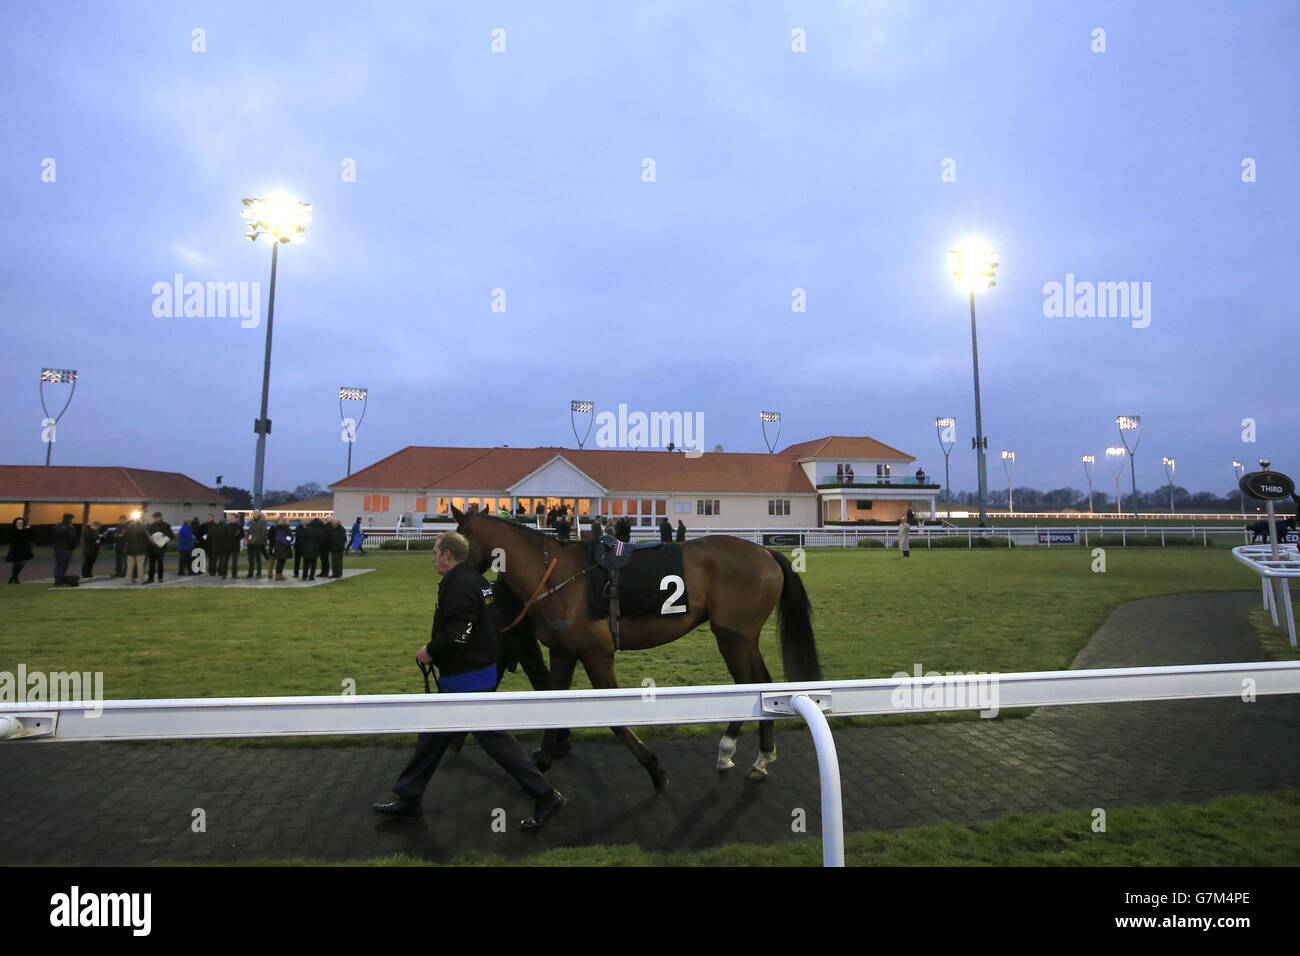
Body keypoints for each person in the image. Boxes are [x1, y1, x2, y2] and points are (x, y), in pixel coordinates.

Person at [372, 531, 565, 830]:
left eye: (435, 552)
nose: (433, 557)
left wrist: (430, 651)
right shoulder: (476, 580)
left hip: (466, 678)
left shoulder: (460, 584)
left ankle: (546, 795)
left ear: (448, 555)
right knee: (433, 736)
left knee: (493, 742)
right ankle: (409, 797)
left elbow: (461, 632)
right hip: (474, 672)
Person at [146, 512, 174, 583]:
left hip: (161, 547)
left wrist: (163, 536)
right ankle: (151, 578)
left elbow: (171, 535)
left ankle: (160, 578)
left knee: (160, 563)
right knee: (151, 564)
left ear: (160, 517)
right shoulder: (151, 526)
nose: (156, 519)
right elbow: (148, 535)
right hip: (152, 547)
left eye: (157, 518)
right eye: (154, 518)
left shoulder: (166, 525)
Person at [123, 514, 151, 584]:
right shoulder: (143, 528)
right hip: (141, 549)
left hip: (130, 549)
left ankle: (129, 580)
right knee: (140, 566)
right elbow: (147, 539)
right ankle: (141, 580)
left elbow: (124, 538)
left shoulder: (128, 528)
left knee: (130, 566)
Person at [52, 513, 78, 586]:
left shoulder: (56, 526)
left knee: (58, 565)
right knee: (63, 566)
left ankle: (57, 580)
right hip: (66, 548)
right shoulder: (70, 526)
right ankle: (60, 582)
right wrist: (72, 547)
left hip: (57, 548)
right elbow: (72, 538)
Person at [6, 517, 35, 583]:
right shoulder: (12, 530)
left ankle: (12, 577)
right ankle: (16, 579)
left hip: (24, 549)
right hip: (15, 549)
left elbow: (31, 537)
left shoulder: (26, 529)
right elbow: (11, 539)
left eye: (21, 523)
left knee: (22, 563)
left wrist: (29, 529)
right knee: (15, 564)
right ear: (15, 523)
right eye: (19, 523)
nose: (20, 524)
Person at [246, 511, 267, 579]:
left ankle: (259, 572)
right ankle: (250, 572)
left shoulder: (262, 522)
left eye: (256, 513)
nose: (254, 515)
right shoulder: (251, 522)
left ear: (259, 515)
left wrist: (258, 541)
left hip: (257, 543)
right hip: (250, 543)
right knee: (250, 559)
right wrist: (249, 541)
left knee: (258, 558)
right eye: (254, 513)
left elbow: (263, 533)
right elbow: (249, 532)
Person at [226, 513, 245, 579]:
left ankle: (234, 574)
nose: (232, 519)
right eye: (231, 518)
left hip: (236, 545)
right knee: (226, 560)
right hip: (228, 545)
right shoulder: (227, 526)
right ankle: (224, 573)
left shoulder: (239, 526)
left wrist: (238, 536)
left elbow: (242, 535)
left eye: (233, 518)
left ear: (236, 519)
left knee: (235, 561)